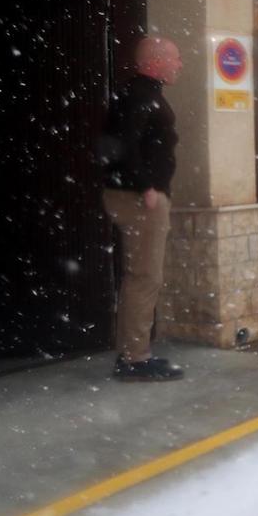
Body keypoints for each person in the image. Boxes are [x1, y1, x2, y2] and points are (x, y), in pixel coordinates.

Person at [98, 35, 184, 382]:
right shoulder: (139, 97)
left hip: (137, 194)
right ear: (155, 61)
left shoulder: (141, 94)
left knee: (144, 275)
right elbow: (124, 144)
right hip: (138, 198)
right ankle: (134, 358)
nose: (179, 65)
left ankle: (134, 354)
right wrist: (145, 185)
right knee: (145, 275)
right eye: (175, 58)